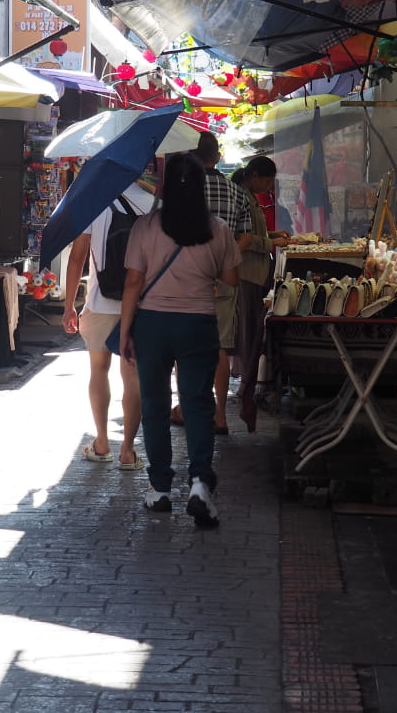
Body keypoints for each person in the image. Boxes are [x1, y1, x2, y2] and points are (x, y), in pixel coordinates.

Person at [120, 152, 241, 527]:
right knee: (198, 404)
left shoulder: (145, 226)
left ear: (165, 187)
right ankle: (200, 484)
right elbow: (232, 279)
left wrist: (125, 331)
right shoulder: (217, 228)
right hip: (198, 324)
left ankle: (158, 490)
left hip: (152, 326)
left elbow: (132, 283)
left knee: (155, 405)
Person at [62, 178, 156, 469]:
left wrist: (69, 305)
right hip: (142, 303)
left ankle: (102, 442)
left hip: (101, 302)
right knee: (133, 376)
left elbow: (77, 258)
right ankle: (128, 450)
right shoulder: (153, 204)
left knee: (98, 370)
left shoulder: (95, 202)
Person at [193, 130, 251, 434]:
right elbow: (247, 233)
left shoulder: (185, 190)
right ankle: (219, 415)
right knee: (220, 347)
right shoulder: (236, 191)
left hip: (188, 277)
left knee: (189, 344)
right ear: (217, 157)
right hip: (225, 277)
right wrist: (226, 256)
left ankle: (187, 407)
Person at [229, 157, 290, 432]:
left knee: (254, 327)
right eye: (266, 181)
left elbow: (256, 232)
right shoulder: (241, 197)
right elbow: (245, 238)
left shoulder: (250, 197)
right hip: (247, 273)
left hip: (257, 272)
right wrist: (273, 241)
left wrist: (275, 234)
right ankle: (245, 382)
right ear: (253, 176)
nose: (267, 187)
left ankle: (247, 381)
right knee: (249, 328)